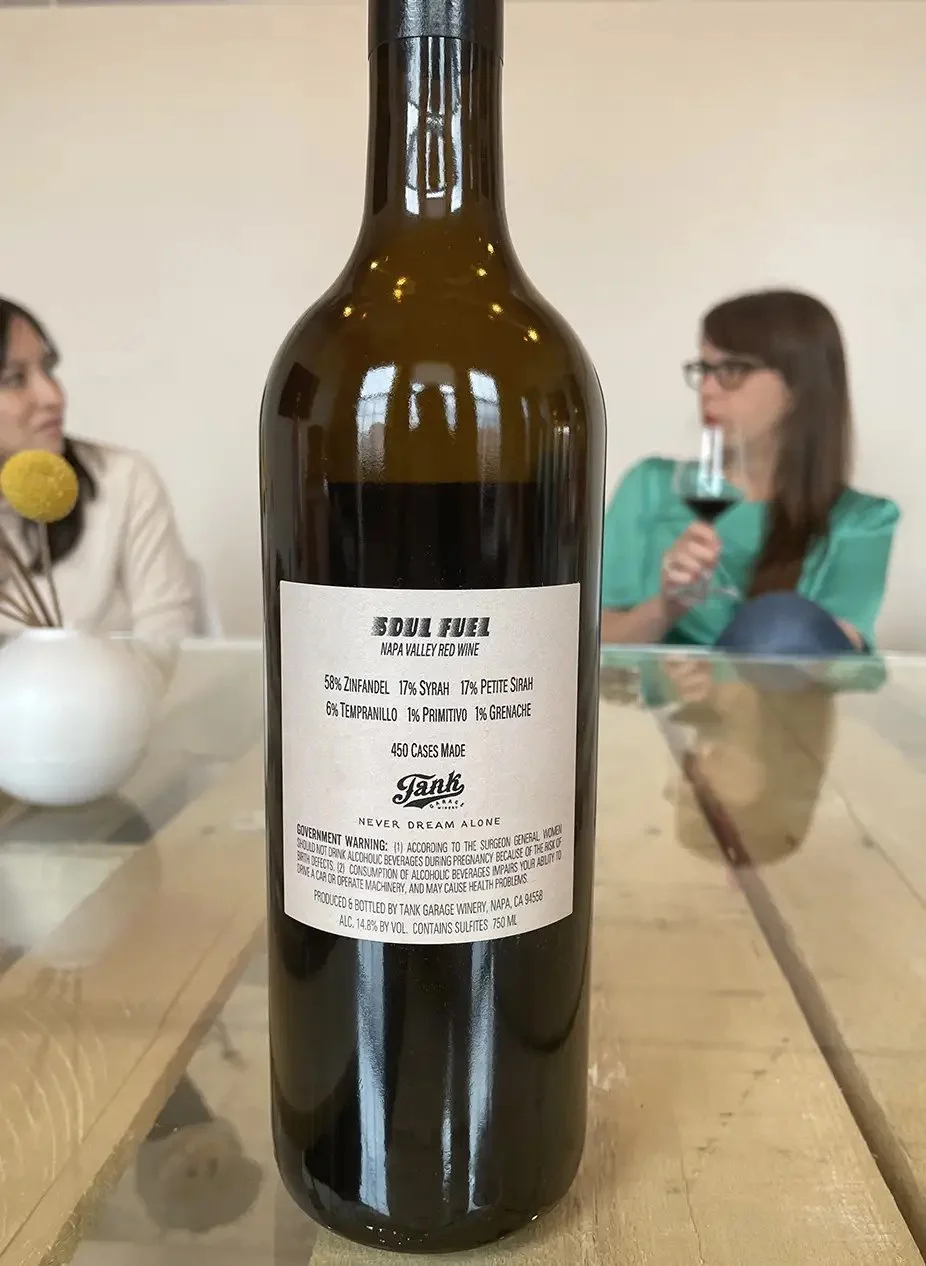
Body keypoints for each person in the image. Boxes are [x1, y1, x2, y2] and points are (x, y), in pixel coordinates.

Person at [601, 288, 900, 657]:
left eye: (731, 370)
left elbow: (834, 658)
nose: (708, 389)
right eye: (704, 369)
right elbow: (593, 644)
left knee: (780, 621)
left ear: (800, 386)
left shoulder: (862, 520)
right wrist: (666, 607)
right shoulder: (651, 486)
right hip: (658, 712)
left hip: (783, 712)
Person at [0, 297, 197, 684]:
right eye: (14, 379)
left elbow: (166, 643)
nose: (54, 396)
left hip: (115, 731)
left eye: (48, 368)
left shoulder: (122, 480)